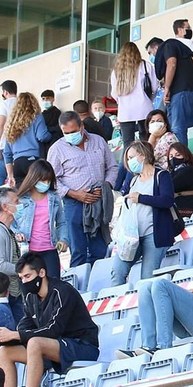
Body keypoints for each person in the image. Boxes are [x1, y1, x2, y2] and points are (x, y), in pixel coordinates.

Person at [0, 253, 98, 387]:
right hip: (52, 349)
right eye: (21, 278)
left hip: (82, 345)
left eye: (28, 276)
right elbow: (25, 326)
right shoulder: (30, 297)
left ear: (41, 273)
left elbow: (53, 330)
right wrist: (3, 339)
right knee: (4, 352)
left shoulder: (62, 292)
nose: (24, 281)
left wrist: (15, 335)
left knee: (35, 343)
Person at [47, 109, 118, 269]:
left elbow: (112, 167)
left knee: (99, 248)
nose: (70, 135)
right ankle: (81, 291)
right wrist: (74, 194)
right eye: (66, 132)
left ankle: (100, 283)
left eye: (73, 131)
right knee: (78, 250)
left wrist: (106, 186)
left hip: (98, 202)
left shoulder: (98, 141)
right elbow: (51, 181)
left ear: (81, 126)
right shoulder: (57, 149)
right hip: (74, 204)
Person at [112, 140, 178, 287]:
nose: (129, 162)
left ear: (142, 156)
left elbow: (167, 200)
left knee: (147, 280)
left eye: (131, 157)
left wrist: (141, 198)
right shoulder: (133, 180)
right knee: (117, 272)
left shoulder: (162, 175)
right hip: (132, 236)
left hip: (154, 235)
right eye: (128, 159)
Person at [12, 159, 66, 280]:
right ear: (33, 178)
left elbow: (62, 222)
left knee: (53, 285)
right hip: (28, 251)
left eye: (48, 180)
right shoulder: (21, 198)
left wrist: (63, 239)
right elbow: (11, 222)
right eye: (42, 179)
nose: (45, 183)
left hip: (50, 249)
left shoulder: (54, 197)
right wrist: (17, 233)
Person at [111, 40, 158, 145]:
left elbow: (114, 93)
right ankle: (147, 159)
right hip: (144, 108)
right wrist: (151, 98)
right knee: (146, 140)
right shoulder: (145, 65)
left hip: (125, 112)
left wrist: (122, 101)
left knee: (128, 143)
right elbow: (154, 87)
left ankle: (128, 161)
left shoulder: (116, 70)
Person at [164, 141, 193, 217]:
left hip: (187, 209)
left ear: (185, 155)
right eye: (171, 156)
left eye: (178, 155)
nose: (174, 159)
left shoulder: (189, 170)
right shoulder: (172, 172)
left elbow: (170, 186)